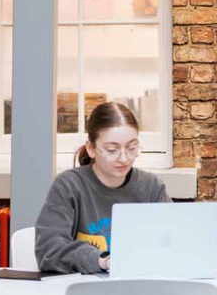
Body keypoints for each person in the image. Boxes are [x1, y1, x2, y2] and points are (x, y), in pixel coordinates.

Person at [34, 101, 169, 274]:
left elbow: (171, 243)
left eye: (132, 148)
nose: (124, 158)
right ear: (91, 149)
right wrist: (105, 261)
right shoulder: (68, 186)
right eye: (112, 149)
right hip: (84, 293)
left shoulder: (152, 187)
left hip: (140, 289)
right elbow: (49, 252)